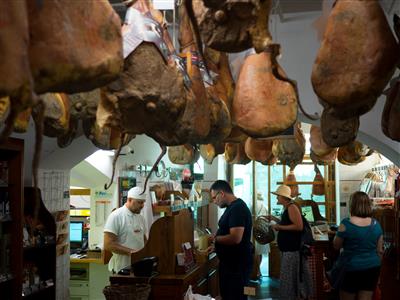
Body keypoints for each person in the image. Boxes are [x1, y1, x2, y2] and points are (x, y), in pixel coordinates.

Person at [333, 191, 383, 300]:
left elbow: (336, 246)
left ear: (352, 205)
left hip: (351, 268)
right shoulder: (376, 224)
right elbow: (380, 251)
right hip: (372, 268)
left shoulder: (346, 223)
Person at [208, 180, 253, 300]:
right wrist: (216, 246)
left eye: (214, 197)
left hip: (237, 267)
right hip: (232, 265)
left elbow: (235, 238)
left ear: (221, 193)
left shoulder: (237, 208)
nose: (214, 201)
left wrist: (216, 239)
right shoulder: (232, 207)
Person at [267, 185, 312, 300]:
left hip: (292, 250)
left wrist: (278, 227)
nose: (277, 199)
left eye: (278, 197)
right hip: (289, 250)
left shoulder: (291, 207)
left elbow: (298, 226)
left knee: (289, 279)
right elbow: (287, 222)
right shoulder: (288, 208)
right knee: (289, 279)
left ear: (283, 197)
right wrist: (274, 218)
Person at [103, 186, 147, 273]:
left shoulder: (141, 218)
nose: (142, 206)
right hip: (121, 269)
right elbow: (108, 244)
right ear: (129, 200)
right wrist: (132, 253)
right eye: (139, 202)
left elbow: (144, 239)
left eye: (143, 202)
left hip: (139, 268)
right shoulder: (116, 216)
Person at [251, 193, 269, 281]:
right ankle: (258, 270)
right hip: (262, 231)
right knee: (260, 252)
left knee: (255, 252)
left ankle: (255, 272)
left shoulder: (252, 205)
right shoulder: (264, 206)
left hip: (253, 231)